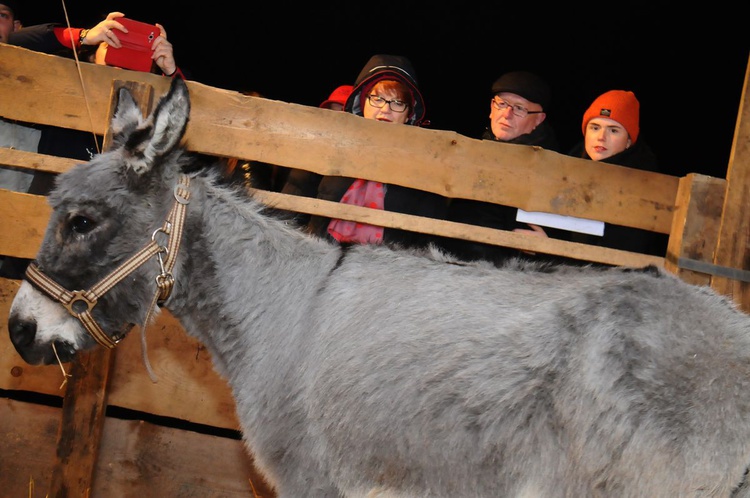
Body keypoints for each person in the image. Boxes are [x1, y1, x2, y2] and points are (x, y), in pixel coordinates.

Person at [283, 55, 447, 249]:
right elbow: (289, 209)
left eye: (397, 103)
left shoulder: (423, 168)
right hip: (323, 262)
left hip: (384, 272)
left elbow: (427, 240)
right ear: (363, 103)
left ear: (408, 114)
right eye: (377, 99)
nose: (386, 110)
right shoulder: (329, 149)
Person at [440, 70, 566, 266]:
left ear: (539, 119)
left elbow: (568, 231)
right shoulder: (470, 152)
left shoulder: (555, 167)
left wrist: (550, 247)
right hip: (454, 270)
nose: (506, 114)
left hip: (511, 278)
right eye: (502, 104)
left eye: (519, 108)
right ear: (492, 108)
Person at [566, 89, 667, 256]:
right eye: (595, 127)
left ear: (628, 141)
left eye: (613, 130)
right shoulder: (567, 167)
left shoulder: (643, 183)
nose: (601, 137)